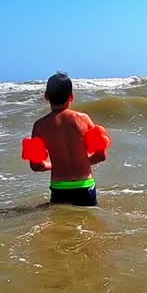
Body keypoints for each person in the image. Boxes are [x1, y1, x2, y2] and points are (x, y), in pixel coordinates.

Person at [28, 72, 106, 207]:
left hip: (60, 188)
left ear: (46, 96)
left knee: (62, 225)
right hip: (84, 186)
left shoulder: (39, 126)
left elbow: (36, 165)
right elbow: (101, 156)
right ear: (71, 97)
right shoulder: (83, 119)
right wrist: (81, 162)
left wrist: (53, 165)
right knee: (87, 225)